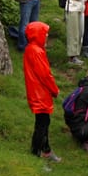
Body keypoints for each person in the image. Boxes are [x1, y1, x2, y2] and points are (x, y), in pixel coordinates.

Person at [23, 21, 61, 163]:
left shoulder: (32, 49)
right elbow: (45, 75)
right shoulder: (36, 51)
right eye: (45, 34)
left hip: (37, 91)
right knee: (42, 124)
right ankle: (36, 153)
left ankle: (46, 150)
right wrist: (54, 89)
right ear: (38, 35)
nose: (46, 37)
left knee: (44, 122)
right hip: (40, 93)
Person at [63, 0, 87, 65]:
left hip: (80, 9)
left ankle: (76, 53)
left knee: (80, 32)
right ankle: (72, 56)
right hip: (72, 9)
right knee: (73, 33)